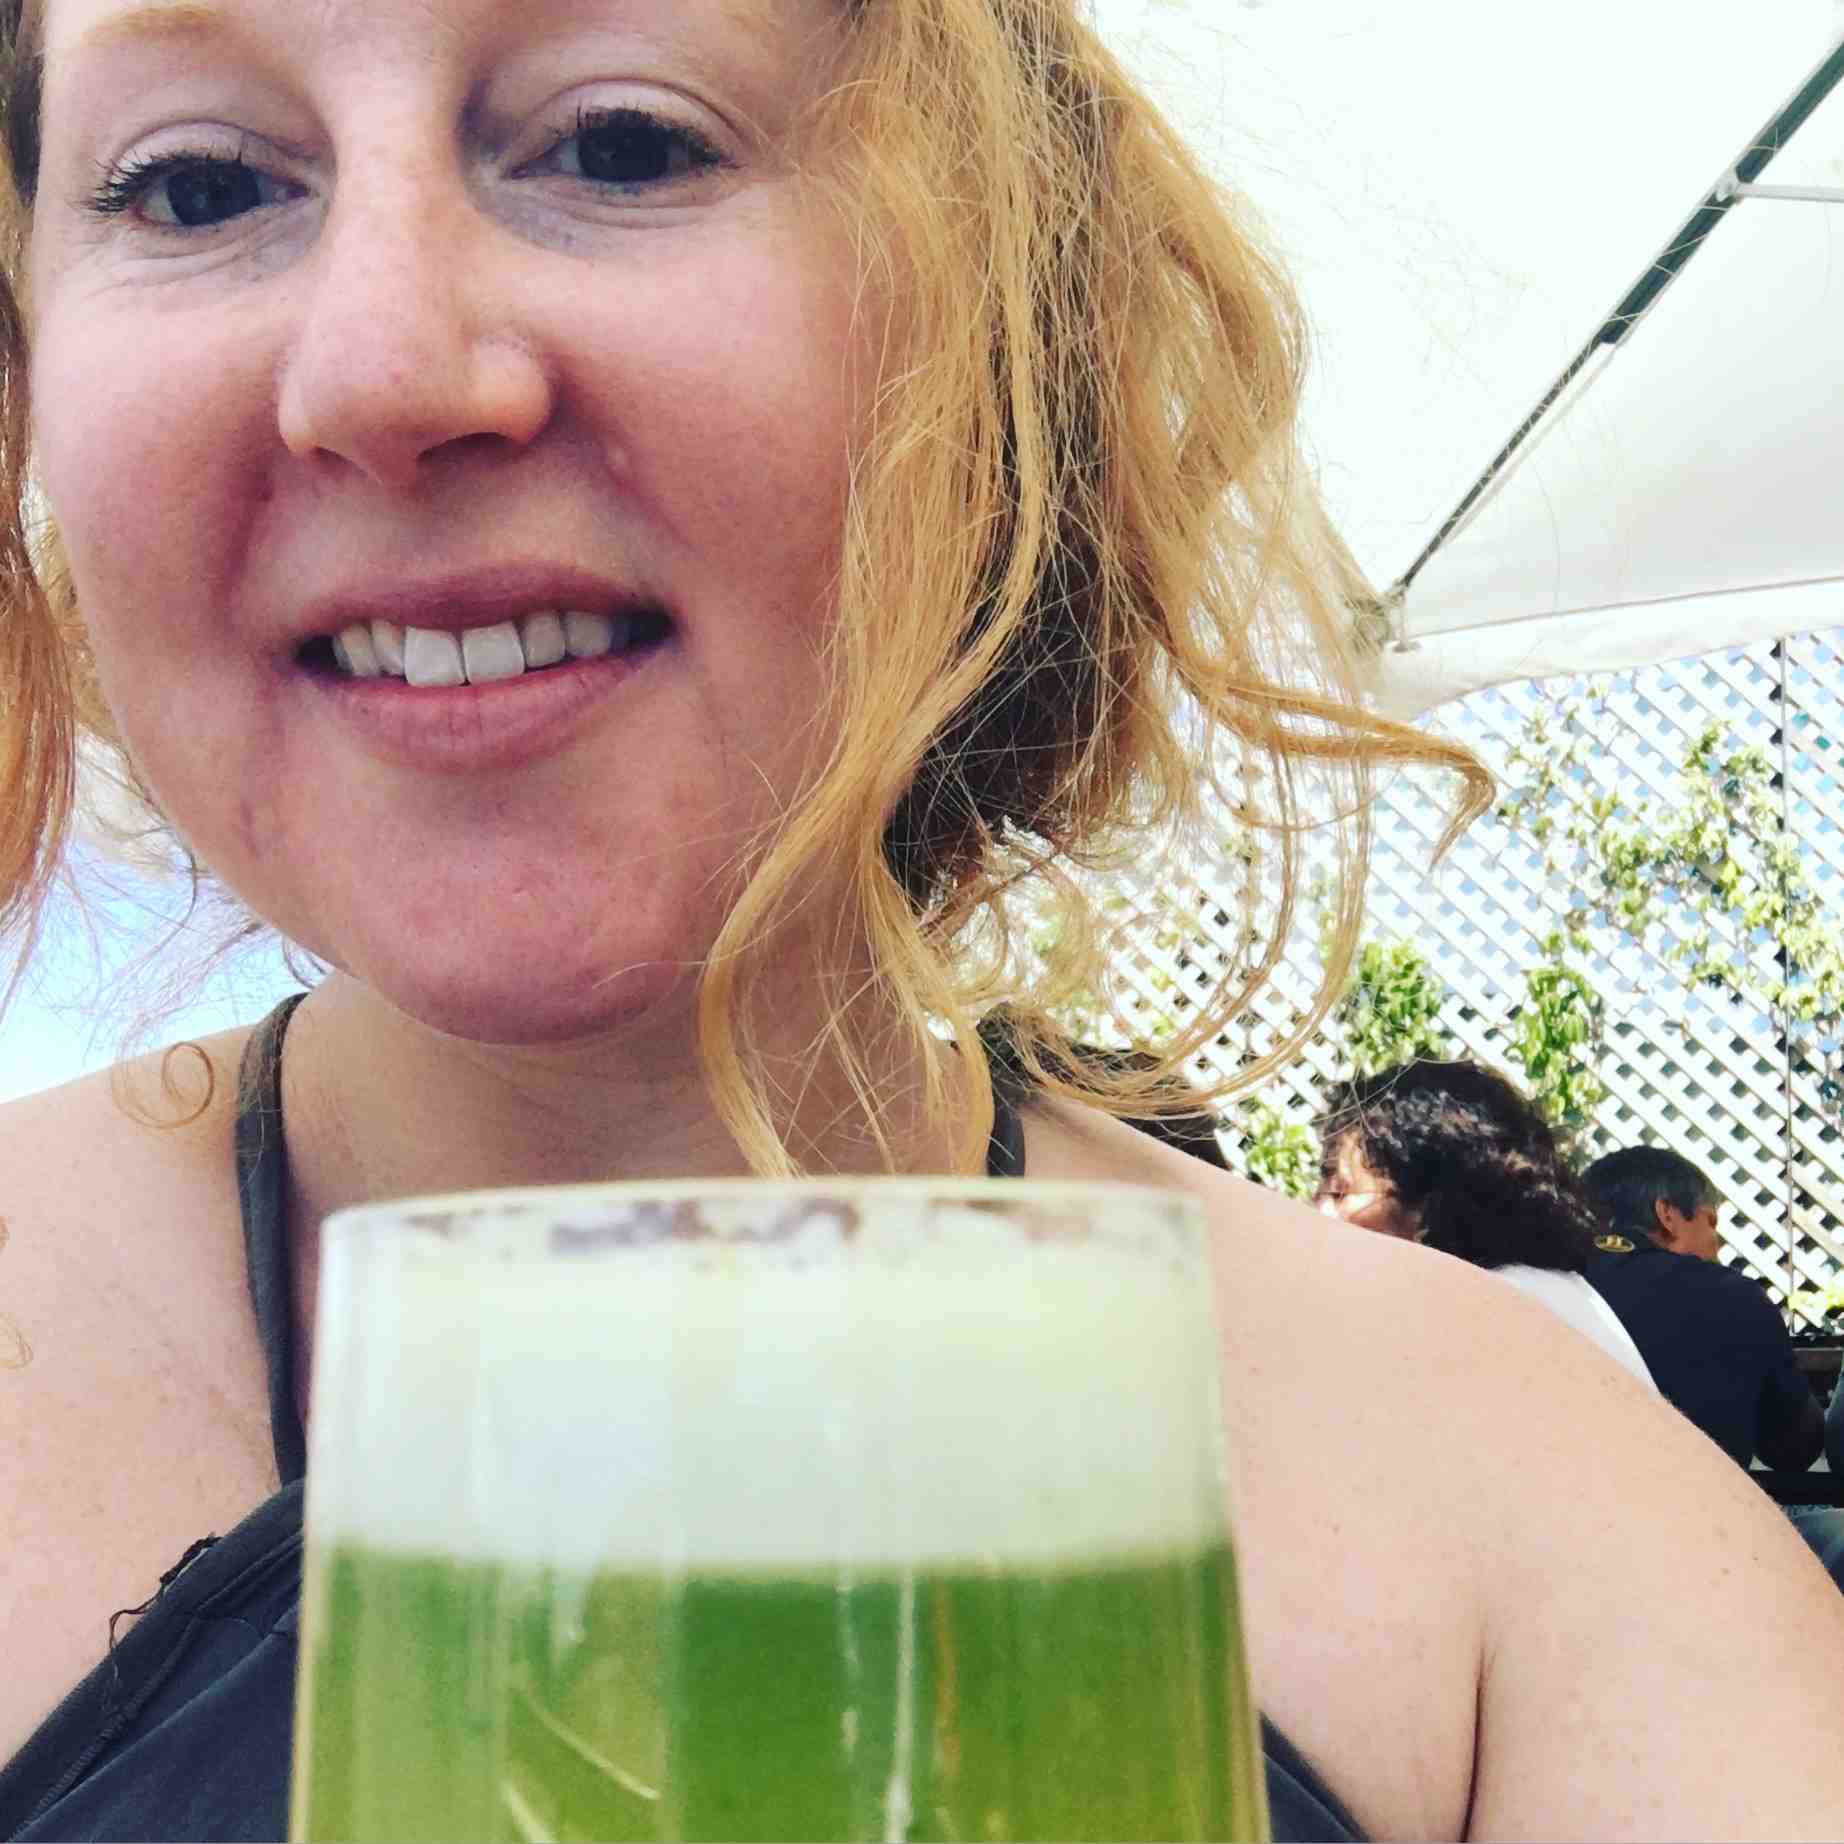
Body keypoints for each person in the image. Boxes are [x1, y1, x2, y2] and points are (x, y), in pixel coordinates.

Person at [1, 0, 1842, 1837]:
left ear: (1011, 312)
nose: (381, 372)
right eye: (193, 185)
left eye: (623, 141)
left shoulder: (1564, 1562)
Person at [1313, 1060, 1654, 1384]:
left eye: (1339, 1192)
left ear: (1430, 1202)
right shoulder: (1544, 1290)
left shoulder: (1482, 1313)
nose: (1319, 1211)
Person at [1581, 1146, 1823, 1472]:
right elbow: (1794, 1450)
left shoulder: (1540, 1284)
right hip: (1690, 1501)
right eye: (1710, 1222)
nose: (1715, 1241)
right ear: (1667, 1214)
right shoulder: (1732, 1295)